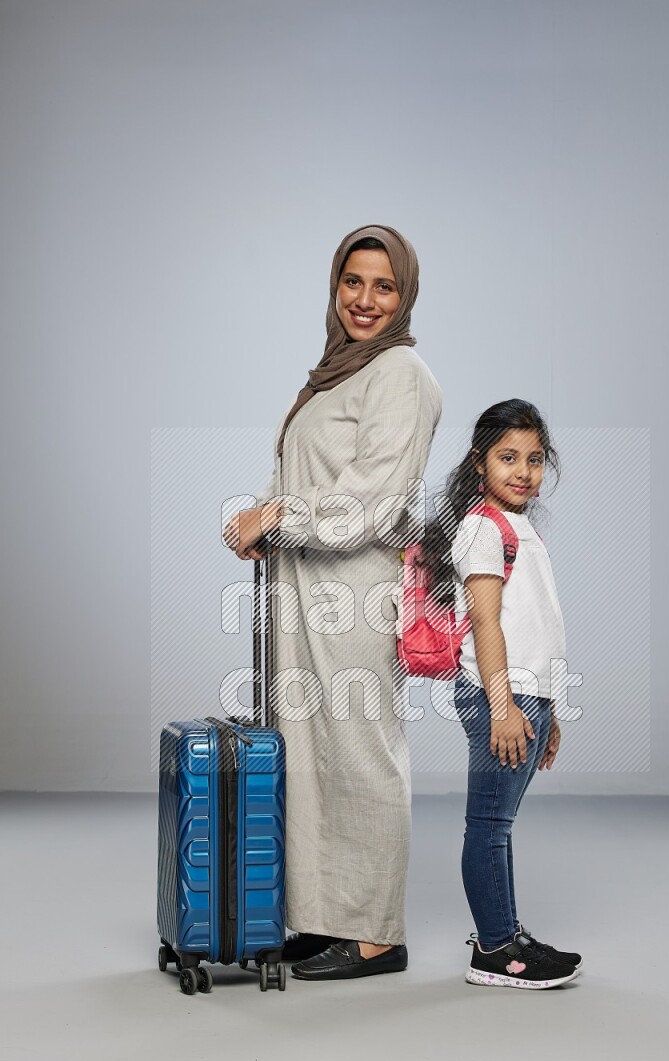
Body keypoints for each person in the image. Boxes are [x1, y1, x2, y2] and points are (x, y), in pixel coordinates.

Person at [224, 225, 442, 980]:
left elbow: (375, 502)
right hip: (302, 592)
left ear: (405, 294)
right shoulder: (333, 373)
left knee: (359, 755)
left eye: (384, 286)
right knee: (308, 758)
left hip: (355, 597)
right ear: (335, 286)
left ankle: (377, 933)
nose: (366, 299)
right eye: (354, 281)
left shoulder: (402, 375)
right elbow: (304, 480)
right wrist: (261, 514)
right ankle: (322, 919)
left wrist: (279, 517)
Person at [418, 399, 582, 989]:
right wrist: (504, 705)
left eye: (535, 459)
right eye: (507, 457)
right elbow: (486, 624)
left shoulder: (519, 527)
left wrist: (549, 708)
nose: (523, 471)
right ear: (479, 462)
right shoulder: (483, 527)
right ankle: (494, 951)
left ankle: (505, 934)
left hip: (524, 694)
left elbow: (535, 626)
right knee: (488, 823)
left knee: (499, 825)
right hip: (499, 694)